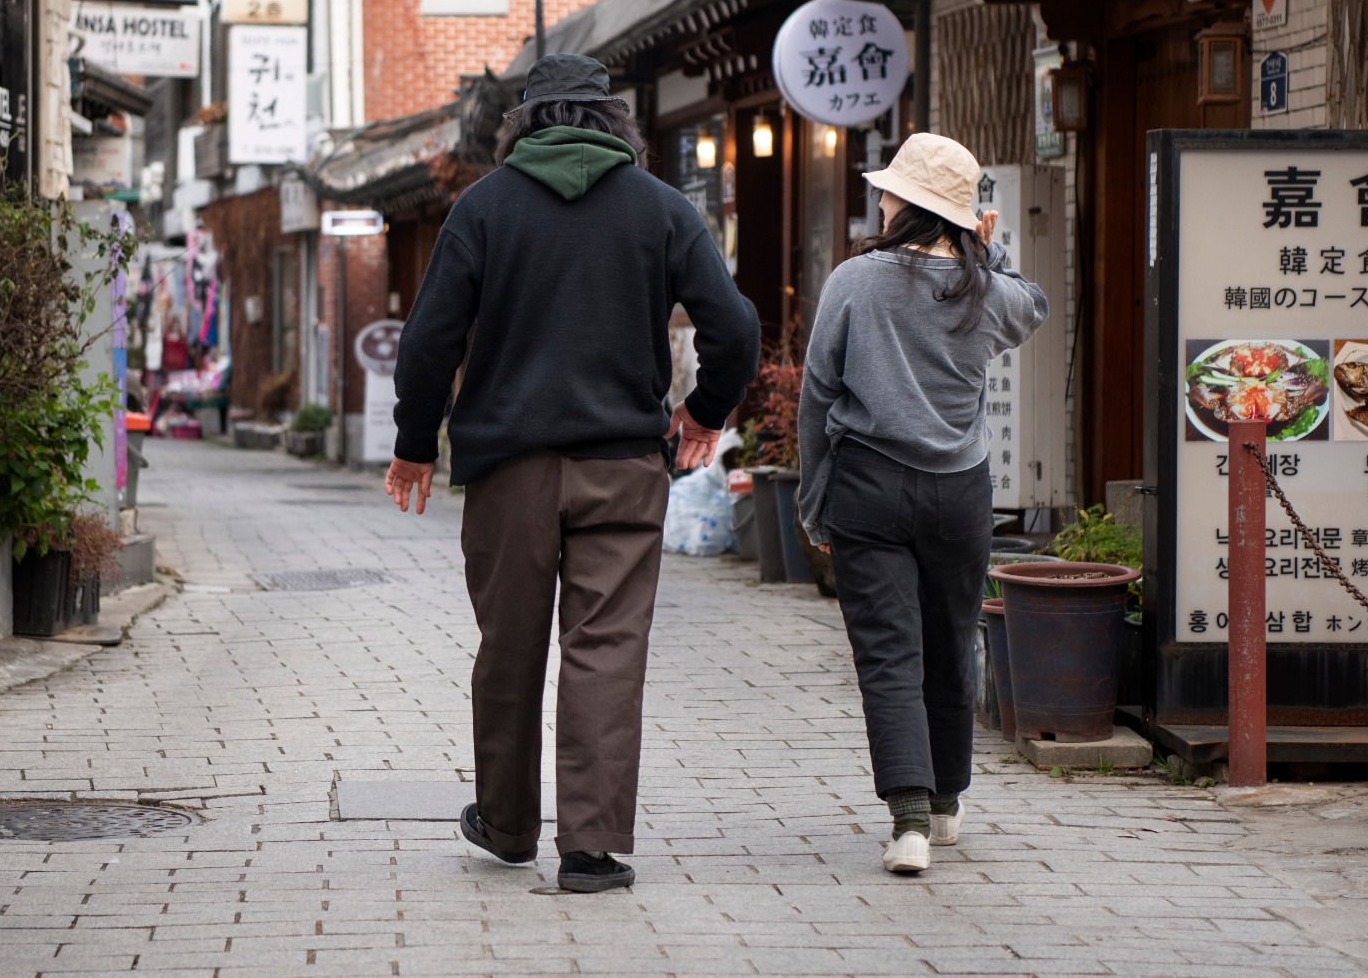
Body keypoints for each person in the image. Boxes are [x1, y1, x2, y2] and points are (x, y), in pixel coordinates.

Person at [384, 53, 760, 893]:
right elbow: (733, 328)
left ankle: (511, 827)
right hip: (624, 465)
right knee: (606, 649)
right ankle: (589, 848)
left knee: (509, 646)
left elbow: (428, 340)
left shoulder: (482, 209)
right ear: (616, 125)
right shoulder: (661, 210)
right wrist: (704, 412)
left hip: (508, 469)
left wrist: (415, 443)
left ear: (521, 127)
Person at [797, 131, 1049, 875]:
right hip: (959, 491)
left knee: (887, 654)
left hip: (868, 485)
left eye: (887, 190)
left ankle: (906, 820)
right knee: (949, 642)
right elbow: (1031, 305)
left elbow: (819, 394)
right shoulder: (986, 289)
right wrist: (987, 250)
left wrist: (813, 501)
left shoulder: (855, 282)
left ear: (904, 205)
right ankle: (944, 807)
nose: (879, 198)